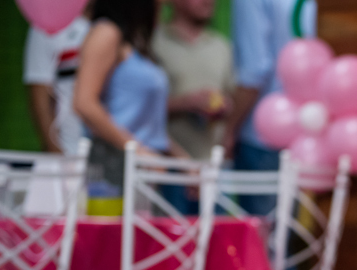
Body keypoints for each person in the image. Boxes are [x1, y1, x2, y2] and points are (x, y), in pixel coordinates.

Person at [73, 0, 183, 188]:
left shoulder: (134, 39)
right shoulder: (106, 32)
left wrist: (180, 160)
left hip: (142, 170)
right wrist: (138, 152)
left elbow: (144, 125)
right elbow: (84, 103)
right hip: (111, 169)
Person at [225, 0, 317, 215]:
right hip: (304, 131)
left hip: (260, 134)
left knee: (260, 229)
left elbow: (254, 70)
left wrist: (228, 130)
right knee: (286, 225)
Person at [153, 0, 234, 213]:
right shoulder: (156, 43)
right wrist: (185, 103)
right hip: (169, 165)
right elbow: (142, 110)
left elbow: (230, 96)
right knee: (170, 231)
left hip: (212, 166)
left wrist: (223, 108)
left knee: (217, 231)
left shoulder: (221, 46)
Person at [24, 10, 91, 154]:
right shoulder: (47, 26)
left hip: (111, 151)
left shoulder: (116, 25)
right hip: (68, 148)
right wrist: (55, 150)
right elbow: (39, 94)